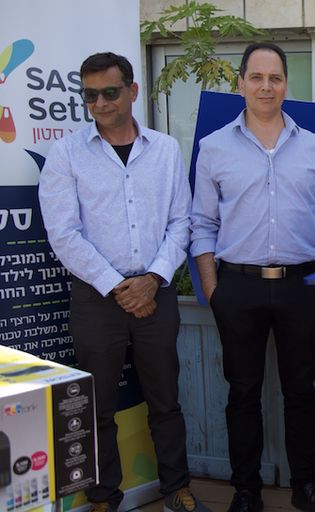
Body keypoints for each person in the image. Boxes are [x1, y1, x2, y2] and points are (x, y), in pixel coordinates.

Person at [38, 52, 205, 512]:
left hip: (156, 293)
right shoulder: (66, 154)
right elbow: (63, 233)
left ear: (132, 91)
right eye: (90, 95)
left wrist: (153, 279)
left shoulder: (165, 150)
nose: (100, 103)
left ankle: (177, 490)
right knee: (97, 407)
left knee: (165, 400)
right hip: (96, 298)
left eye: (110, 92)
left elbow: (181, 222)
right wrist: (118, 286)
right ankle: (103, 498)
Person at [190, 42, 315, 512]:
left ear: (285, 85)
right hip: (238, 287)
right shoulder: (214, 148)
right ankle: (246, 490)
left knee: (301, 391)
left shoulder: (313, 147)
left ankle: (306, 485)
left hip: (302, 285)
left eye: (274, 78)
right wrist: (214, 291)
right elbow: (202, 224)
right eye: (256, 77)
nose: (265, 86)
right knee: (242, 393)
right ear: (240, 83)